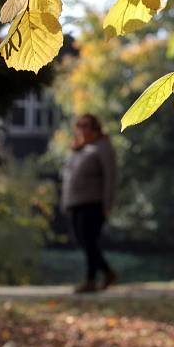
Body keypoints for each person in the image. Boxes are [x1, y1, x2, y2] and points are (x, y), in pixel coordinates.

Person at [60, 113, 118, 293]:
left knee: (89, 240)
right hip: (75, 203)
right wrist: (65, 201)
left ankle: (91, 280)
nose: (82, 129)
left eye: (86, 125)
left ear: (95, 128)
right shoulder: (77, 149)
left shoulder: (102, 147)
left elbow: (111, 176)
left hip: (93, 202)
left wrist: (107, 204)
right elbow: (67, 178)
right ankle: (107, 272)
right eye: (80, 126)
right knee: (81, 240)